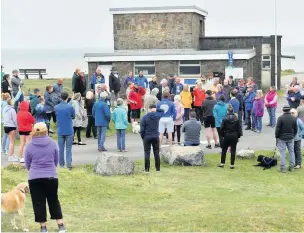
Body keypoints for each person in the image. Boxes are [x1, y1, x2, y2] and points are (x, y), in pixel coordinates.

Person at [24, 122, 66, 233]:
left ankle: (43, 228)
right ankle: (61, 225)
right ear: (46, 131)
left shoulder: (29, 145)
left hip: (34, 177)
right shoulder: (53, 143)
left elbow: (27, 164)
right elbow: (56, 160)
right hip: (51, 176)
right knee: (53, 200)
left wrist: (34, 171)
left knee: (38, 202)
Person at [140, 104, 164, 173]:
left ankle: (147, 169)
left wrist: (143, 137)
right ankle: (158, 169)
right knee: (156, 153)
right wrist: (156, 109)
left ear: (149, 109)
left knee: (147, 152)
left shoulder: (144, 117)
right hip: (155, 136)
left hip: (147, 136)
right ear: (154, 109)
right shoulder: (157, 116)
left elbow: (142, 129)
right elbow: (162, 111)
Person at [55, 92, 75, 170]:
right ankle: (68, 164)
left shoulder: (56, 107)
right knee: (68, 148)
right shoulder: (70, 107)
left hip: (60, 130)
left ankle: (61, 165)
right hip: (69, 129)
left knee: (61, 149)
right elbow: (73, 116)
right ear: (67, 97)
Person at [218, 105, 243, 169]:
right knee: (233, 150)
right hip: (234, 135)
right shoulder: (236, 119)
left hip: (227, 135)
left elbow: (221, 128)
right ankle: (232, 164)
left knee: (224, 149)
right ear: (233, 111)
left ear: (227, 111)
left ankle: (222, 163)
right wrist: (238, 136)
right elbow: (239, 128)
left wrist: (222, 135)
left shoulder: (225, 118)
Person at [275, 105, 297, 173]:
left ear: (283, 110)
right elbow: (295, 129)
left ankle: (283, 168)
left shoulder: (280, 118)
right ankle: (292, 167)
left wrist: (277, 136)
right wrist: (293, 135)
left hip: (282, 137)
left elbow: (277, 129)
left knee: (282, 152)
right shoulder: (293, 118)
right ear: (289, 110)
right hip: (291, 137)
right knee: (291, 152)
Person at [3, 98, 19, 162]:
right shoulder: (12, 110)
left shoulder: (5, 109)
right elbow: (15, 119)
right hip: (11, 126)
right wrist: (17, 126)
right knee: (12, 142)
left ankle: (12, 155)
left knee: (11, 142)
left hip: (5, 126)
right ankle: (10, 156)